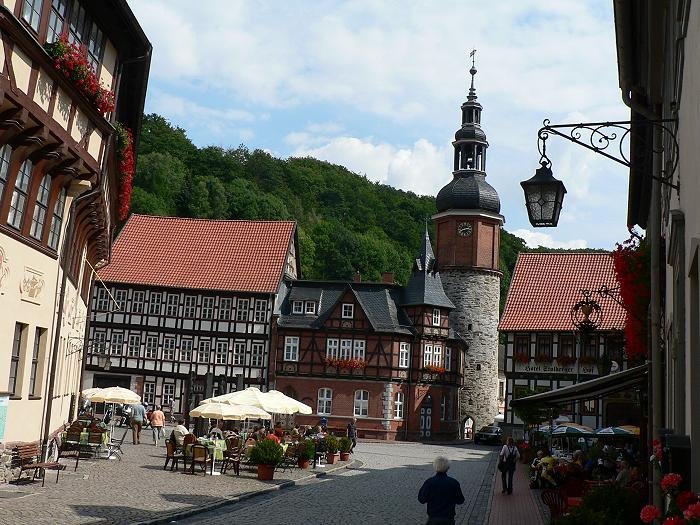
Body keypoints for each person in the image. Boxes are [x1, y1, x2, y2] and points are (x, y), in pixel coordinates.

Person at [418, 456, 465, 525]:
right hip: (449, 519)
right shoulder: (454, 482)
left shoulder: (429, 482)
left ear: (435, 467)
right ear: (448, 468)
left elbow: (421, 499)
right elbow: (460, 500)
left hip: (433, 519)